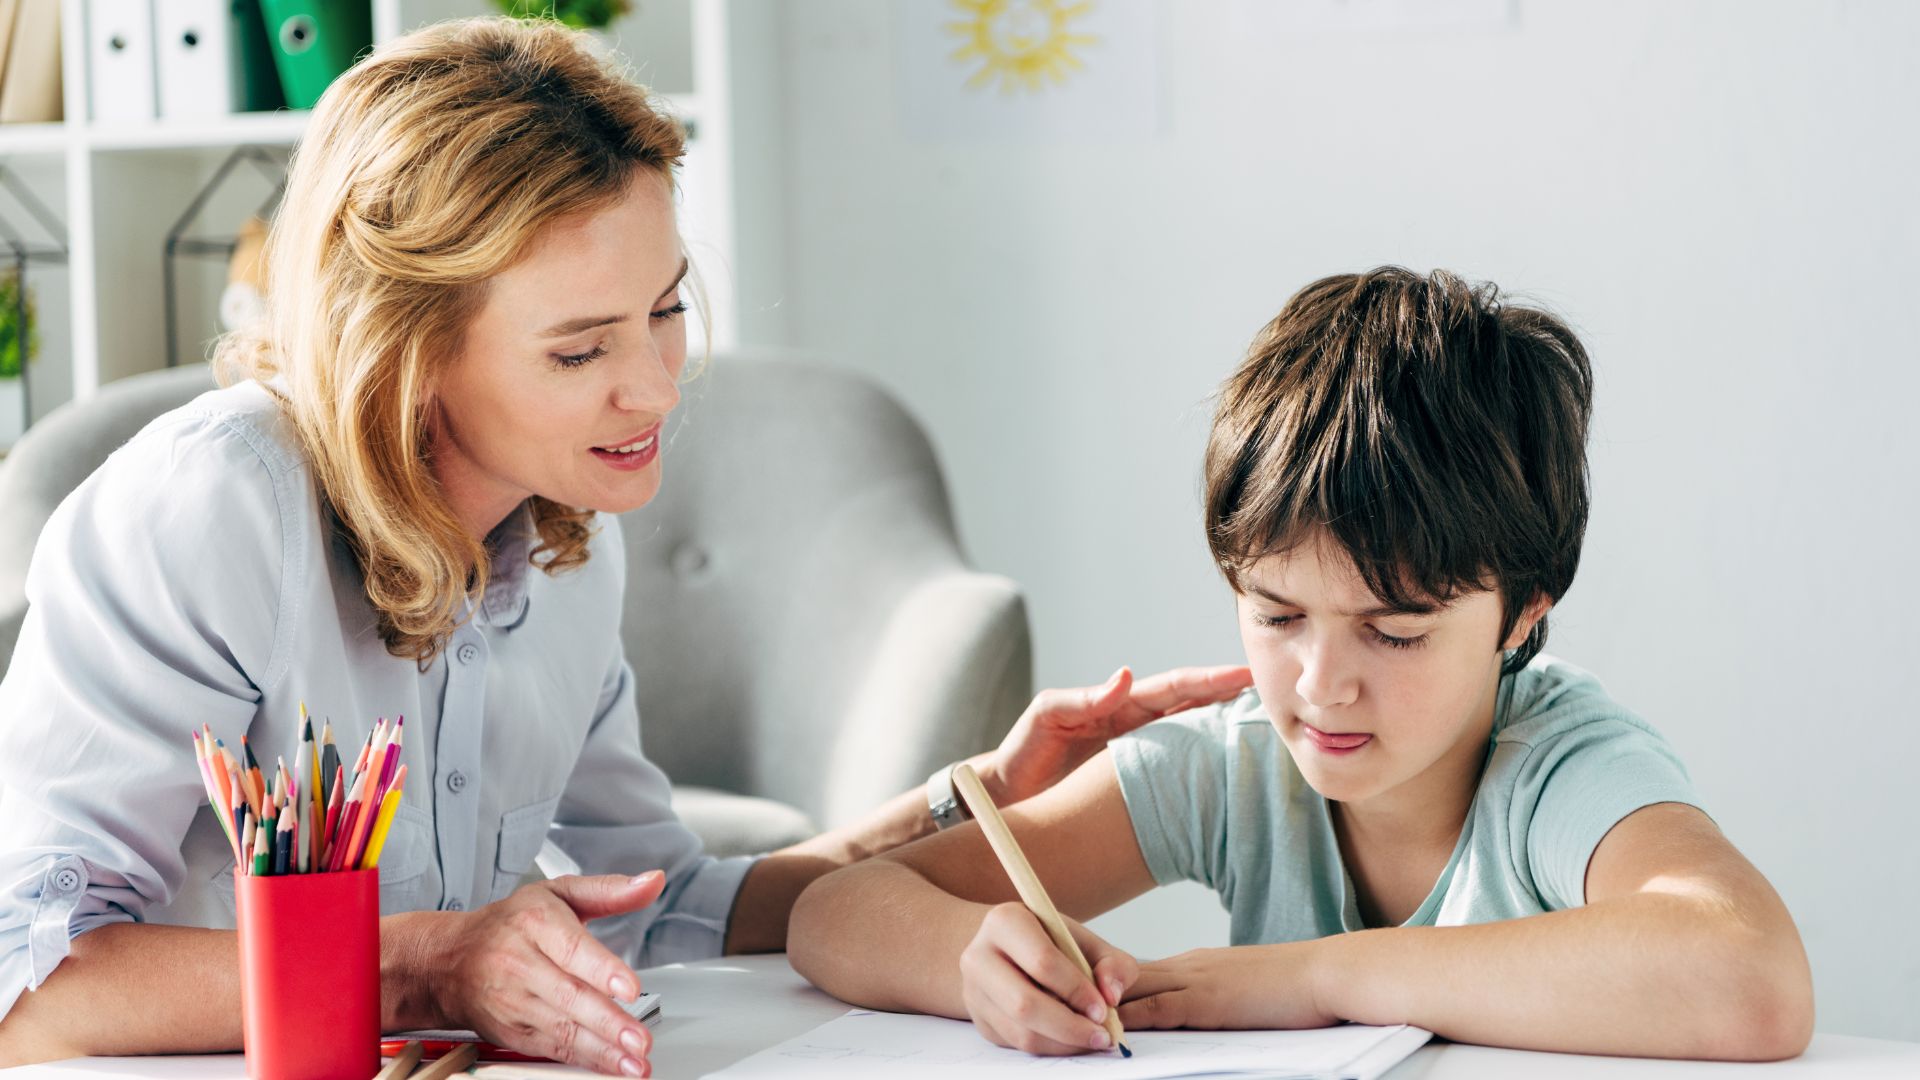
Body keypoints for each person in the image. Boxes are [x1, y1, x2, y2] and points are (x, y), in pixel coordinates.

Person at [0, 18, 1250, 1076]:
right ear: (407, 346)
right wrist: (436, 961)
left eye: (664, 313)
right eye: (580, 349)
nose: (655, 391)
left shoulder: (569, 542)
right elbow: (32, 985)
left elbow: (662, 908)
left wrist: (965, 805)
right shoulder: (208, 510)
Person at [789, 267, 1816, 1061]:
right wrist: (972, 962)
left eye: (1395, 631)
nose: (1322, 685)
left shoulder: (1560, 766)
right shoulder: (1232, 763)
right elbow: (835, 911)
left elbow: (1750, 975)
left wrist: (1316, 977)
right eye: (1277, 615)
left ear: (1520, 617)